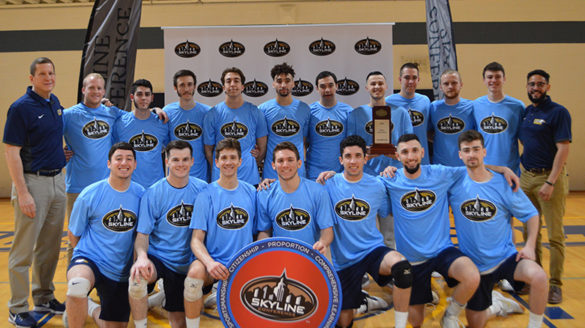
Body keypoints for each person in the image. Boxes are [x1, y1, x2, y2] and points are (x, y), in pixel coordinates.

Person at [380, 134, 519, 328]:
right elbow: (358, 181)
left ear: (422, 153)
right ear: (397, 156)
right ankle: (492, 304)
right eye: (404, 152)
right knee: (415, 322)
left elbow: (471, 166)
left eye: (414, 151)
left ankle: (451, 315)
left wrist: (503, 169)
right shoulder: (389, 179)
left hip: (441, 250)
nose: (410, 156)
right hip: (412, 258)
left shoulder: (440, 173)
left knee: (471, 276)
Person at [449, 130, 547, 328]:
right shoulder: (454, 181)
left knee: (539, 277)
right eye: (466, 151)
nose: (471, 155)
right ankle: (497, 306)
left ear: (484, 151)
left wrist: (529, 246)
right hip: (475, 267)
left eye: (476, 149)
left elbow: (531, 215)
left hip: (505, 257)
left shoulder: (503, 183)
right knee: (476, 324)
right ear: (460, 155)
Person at [323, 135, 412, 328]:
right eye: (348, 156)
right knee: (343, 324)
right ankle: (363, 302)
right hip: (344, 260)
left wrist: (394, 172)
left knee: (402, 269)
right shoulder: (328, 185)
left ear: (366, 158)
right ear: (341, 160)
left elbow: (388, 211)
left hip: (372, 250)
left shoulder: (378, 185)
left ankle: (400, 326)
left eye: (357, 156)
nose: (353, 161)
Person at [4, 57, 67, 328]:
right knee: (23, 250)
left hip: (57, 183)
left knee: (50, 248)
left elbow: (48, 139)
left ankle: (43, 297)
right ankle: (17, 307)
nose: (48, 77)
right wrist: (23, 191)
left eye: (51, 73)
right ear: (31, 78)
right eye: (42, 74)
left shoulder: (55, 104)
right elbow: (11, 152)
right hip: (33, 184)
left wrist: (60, 155)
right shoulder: (20, 108)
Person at [127, 140, 207, 328]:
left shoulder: (204, 189)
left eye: (185, 159)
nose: (181, 164)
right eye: (176, 160)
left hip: (188, 262)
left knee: (180, 325)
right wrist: (141, 257)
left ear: (192, 161)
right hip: (160, 258)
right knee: (137, 279)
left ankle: (162, 297)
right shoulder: (153, 193)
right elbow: (142, 236)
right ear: (167, 162)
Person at [65, 142, 145, 328]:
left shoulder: (142, 195)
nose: (123, 162)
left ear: (135, 164)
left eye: (129, 159)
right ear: (109, 163)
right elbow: (73, 233)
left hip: (120, 270)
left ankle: (91, 308)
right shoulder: (90, 194)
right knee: (77, 285)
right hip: (91, 259)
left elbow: (143, 235)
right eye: (118, 158)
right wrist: (88, 254)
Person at [184, 138, 256, 328]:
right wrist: (210, 263)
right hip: (214, 263)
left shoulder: (252, 192)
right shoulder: (205, 194)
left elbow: (262, 232)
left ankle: (221, 293)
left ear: (240, 161)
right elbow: (196, 241)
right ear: (216, 162)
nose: (228, 162)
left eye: (233, 157)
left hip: (244, 263)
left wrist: (255, 260)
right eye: (224, 158)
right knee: (194, 274)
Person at [519, 69, 571, 304]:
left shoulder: (558, 112)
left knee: (555, 235)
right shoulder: (528, 112)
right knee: (530, 232)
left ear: (548, 87)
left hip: (550, 179)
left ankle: (555, 284)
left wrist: (551, 181)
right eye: (531, 84)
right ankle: (536, 277)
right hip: (527, 178)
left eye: (540, 84)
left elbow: (563, 148)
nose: (535, 88)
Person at [256, 141, 334, 252]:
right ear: (273, 165)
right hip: (280, 260)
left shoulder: (318, 191)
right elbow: (264, 231)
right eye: (280, 161)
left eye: (290, 160)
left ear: (299, 163)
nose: (285, 165)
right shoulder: (264, 194)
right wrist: (262, 250)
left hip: (310, 258)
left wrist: (322, 243)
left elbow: (327, 230)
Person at [203, 67, 268, 185]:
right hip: (220, 179)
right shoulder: (213, 114)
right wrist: (220, 167)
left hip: (249, 178)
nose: (232, 84)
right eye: (228, 81)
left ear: (242, 86)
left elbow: (263, 148)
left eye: (236, 80)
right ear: (223, 87)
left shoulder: (255, 112)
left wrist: (252, 162)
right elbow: (208, 150)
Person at [348, 71, 413, 174]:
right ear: (367, 88)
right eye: (373, 84)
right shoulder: (355, 114)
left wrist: (393, 152)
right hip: (366, 174)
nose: (377, 86)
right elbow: (350, 148)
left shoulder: (401, 113)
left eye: (380, 83)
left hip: (395, 172)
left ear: (386, 86)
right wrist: (366, 151)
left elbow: (410, 146)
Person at [114, 79, 170, 188]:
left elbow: (171, 149)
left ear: (152, 97)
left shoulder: (162, 123)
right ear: (132, 97)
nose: (143, 98)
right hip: (129, 186)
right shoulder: (121, 123)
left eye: (147, 94)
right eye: (139, 94)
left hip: (156, 186)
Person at [259, 63, 311, 179]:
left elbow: (303, 142)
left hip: (298, 172)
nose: (283, 85)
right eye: (279, 81)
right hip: (272, 172)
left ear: (293, 83)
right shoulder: (263, 109)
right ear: (273, 84)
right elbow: (260, 142)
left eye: (287, 80)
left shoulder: (304, 109)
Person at [473, 62, 525, 175]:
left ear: (504, 79)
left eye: (498, 77)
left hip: (511, 169)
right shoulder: (475, 105)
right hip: (484, 168)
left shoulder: (518, 106)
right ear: (484, 80)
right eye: (490, 77)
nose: (493, 80)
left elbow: (525, 139)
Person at [164, 69, 211, 181]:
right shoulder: (167, 112)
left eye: (189, 84)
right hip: (175, 179)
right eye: (182, 85)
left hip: (202, 178)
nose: (186, 89)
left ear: (195, 86)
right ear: (175, 88)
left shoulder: (207, 112)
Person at [306, 71, 353, 179]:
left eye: (330, 85)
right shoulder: (309, 112)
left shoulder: (348, 111)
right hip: (314, 173)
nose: (327, 90)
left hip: (340, 174)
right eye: (322, 86)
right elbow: (303, 143)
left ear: (336, 86)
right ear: (317, 88)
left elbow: (351, 145)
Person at [386, 63, 431, 164]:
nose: (411, 81)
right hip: (397, 163)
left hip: (422, 162)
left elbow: (429, 130)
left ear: (418, 80)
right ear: (400, 79)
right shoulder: (388, 102)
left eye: (414, 78)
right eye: (407, 77)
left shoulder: (425, 101)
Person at [429, 69, 476, 166]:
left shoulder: (472, 107)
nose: (450, 86)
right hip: (440, 168)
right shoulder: (433, 108)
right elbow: (426, 132)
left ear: (461, 84)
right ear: (441, 87)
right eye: (446, 84)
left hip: (466, 167)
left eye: (454, 83)